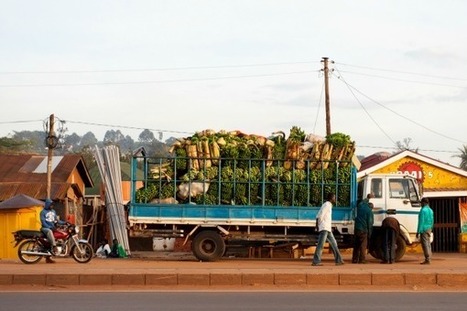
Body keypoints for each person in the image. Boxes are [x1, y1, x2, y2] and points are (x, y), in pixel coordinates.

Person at [312, 193, 344, 266]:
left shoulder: (328, 205)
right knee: (321, 245)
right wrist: (319, 226)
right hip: (324, 228)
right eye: (334, 198)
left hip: (327, 228)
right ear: (331, 198)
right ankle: (316, 261)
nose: (335, 199)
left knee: (334, 244)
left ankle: (338, 260)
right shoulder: (327, 204)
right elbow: (320, 216)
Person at [40, 198, 66, 263]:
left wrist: (65, 222)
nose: (52, 206)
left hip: (52, 227)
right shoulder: (42, 212)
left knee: (59, 234)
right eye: (50, 205)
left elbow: (57, 221)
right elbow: (43, 222)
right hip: (45, 228)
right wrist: (49, 227)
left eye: (52, 205)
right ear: (47, 204)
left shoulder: (53, 211)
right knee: (49, 231)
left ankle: (49, 257)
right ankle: (54, 246)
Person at [352, 197, 374, 264]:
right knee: (363, 245)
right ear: (371, 207)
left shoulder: (360, 206)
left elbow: (363, 201)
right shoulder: (369, 211)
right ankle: (362, 260)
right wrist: (370, 233)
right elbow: (370, 223)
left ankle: (354, 259)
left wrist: (368, 197)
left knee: (356, 245)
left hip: (357, 228)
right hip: (363, 230)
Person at [417, 197, 434, 265]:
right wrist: (431, 228)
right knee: (428, 244)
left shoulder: (423, 210)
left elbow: (421, 222)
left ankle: (427, 259)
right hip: (429, 228)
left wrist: (418, 231)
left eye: (421, 203)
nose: (421, 204)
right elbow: (432, 220)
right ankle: (429, 258)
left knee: (425, 244)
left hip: (424, 229)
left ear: (423, 203)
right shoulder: (431, 210)